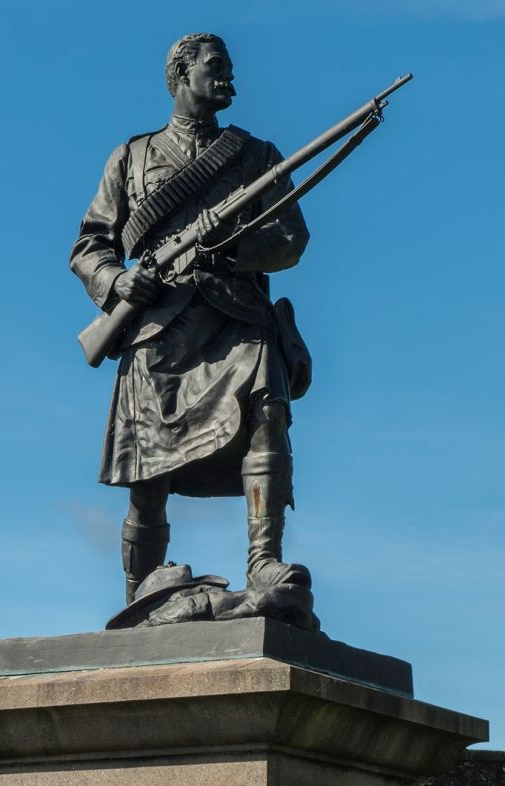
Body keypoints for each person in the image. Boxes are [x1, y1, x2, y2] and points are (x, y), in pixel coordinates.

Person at [70, 32, 310, 604]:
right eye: (216, 67)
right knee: (148, 473)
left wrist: (231, 247)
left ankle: (263, 562)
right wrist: (118, 280)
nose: (230, 77)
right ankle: (138, 589)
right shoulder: (131, 157)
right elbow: (90, 245)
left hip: (237, 318)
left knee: (266, 409)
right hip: (158, 325)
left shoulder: (256, 155)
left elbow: (291, 238)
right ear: (181, 74)